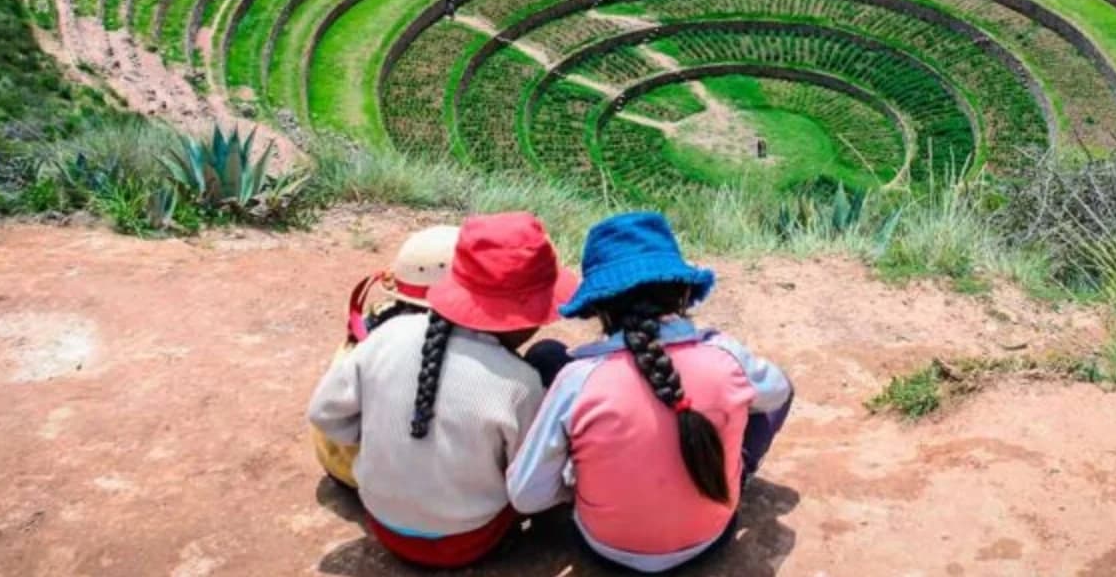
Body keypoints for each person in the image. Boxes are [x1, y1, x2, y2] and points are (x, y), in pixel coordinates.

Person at [507, 211, 793, 572]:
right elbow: (779, 392)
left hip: (606, 549)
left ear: (597, 307)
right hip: (709, 540)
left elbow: (526, 495)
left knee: (550, 360)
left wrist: (578, 487)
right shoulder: (726, 355)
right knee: (768, 393)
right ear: (685, 292)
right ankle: (734, 475)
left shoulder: (577, 380)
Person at [307, 212, 578, 568]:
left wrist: (391, 442)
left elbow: (324, 415)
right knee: (551, 357)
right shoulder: (519, 384)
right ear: (523, 316)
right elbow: (528, 486)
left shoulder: (387, 336)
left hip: (384, 525)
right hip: (470, 540)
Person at [310, 224, 460, 489]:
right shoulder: (442, 345)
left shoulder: (376, 319)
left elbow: (323, 412)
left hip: (336, 461)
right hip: (379, 480)